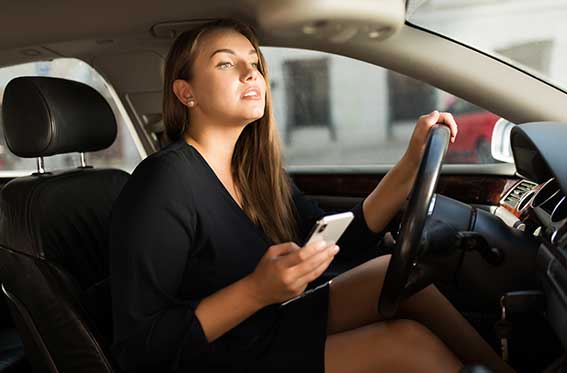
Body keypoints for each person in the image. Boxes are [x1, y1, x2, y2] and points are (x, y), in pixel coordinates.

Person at [109, 19, 513, 373]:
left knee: (391, 274)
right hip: (214, 357)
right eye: (226, 63)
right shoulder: (163, 182)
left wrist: (411, 162)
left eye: (254, 62)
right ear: (186, 93)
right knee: (406, 342)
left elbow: (344, 240)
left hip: (264, 326)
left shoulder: (253, 171)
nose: (251, 73)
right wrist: (255, 291)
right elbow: (141, 347)